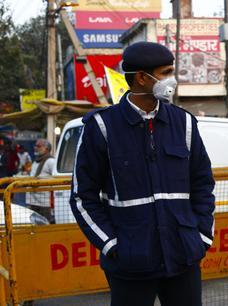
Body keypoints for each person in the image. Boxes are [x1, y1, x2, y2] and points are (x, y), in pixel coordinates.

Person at [70, 42, 215, 306]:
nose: (172, 80)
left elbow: (203, 184)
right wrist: (112, 246)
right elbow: (83, 197)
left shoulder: (184, 123)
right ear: (141, 77)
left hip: (182, 256)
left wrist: (201, 236)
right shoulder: (101, 126)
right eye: (166, 72)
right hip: (130, 263)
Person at [26, 139, 55, 222]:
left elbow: (56, 178)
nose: (35, 148)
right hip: (33, 201)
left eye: (38, 146)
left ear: (46, 149)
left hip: (44, 202)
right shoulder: (36, 161)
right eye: (35, 146)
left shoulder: (51, 161)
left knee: (45, 225)